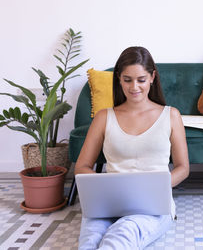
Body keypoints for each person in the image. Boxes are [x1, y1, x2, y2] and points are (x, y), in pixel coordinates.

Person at [74, 46, 190, 249]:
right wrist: (104, 187)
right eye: (127, 80)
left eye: (141, 80)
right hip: (109, 202)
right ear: (119, 79)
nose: (134, 87)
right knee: (89, 242)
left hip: (153, 206)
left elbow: (183, 168)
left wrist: (155, 187)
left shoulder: (171, 115)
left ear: (152, 77)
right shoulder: (103, 117)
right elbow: (82, 166)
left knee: (120, 237)